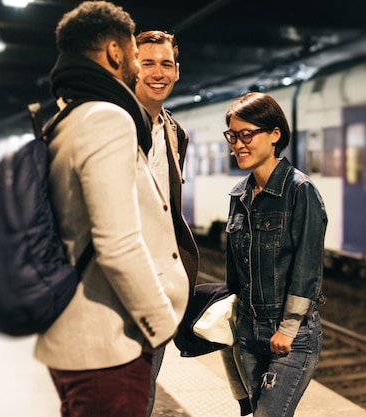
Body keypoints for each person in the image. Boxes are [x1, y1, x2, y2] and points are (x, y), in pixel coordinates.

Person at [34, 2, 196, 417]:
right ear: (115, 51)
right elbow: (117, 243)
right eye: (135, 51)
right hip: (109, 340)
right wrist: (160, 323)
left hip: (81, 335)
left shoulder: (68, 115)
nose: (150, 70)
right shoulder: (108, 117)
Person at [134, 30, 249, 416]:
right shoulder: (111, 122)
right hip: (115, 289)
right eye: (147, 62)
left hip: (160, 291)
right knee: (114, 395)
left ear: (177, 72)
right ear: (130, 66)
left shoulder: (173, 132)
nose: (157, 72)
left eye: (165, 64)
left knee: (142, 393)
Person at [224, 92, 327, 417]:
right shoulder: (239, 194)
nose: (237, 144)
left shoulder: (299, 190)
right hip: (247, 332)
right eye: (232, 135)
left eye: (246, 135)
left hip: (290, 337)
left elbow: (307, 266)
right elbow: (235, 269)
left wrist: (289, 326)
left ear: (275, 134)